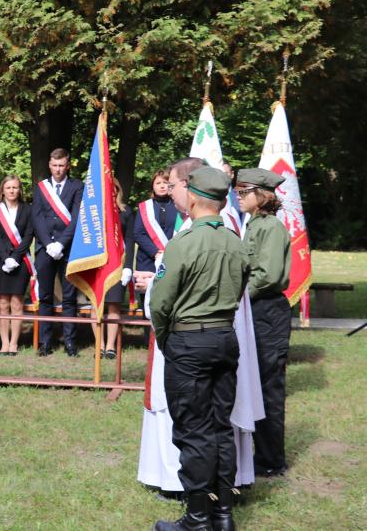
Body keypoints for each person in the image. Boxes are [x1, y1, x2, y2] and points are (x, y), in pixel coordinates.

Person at [149, 166, 249, 531]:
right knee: (220, 427)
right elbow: (240, 289)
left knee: (194, 430)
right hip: (224, 337)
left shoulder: (184, 243)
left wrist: (167, 339)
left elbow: (160, 302)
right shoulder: (236, 243)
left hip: (189, 342)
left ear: (193, 197)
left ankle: (197, 519)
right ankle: (223, 515)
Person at [235, 167, 292, 478]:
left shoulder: (270, 227)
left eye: (244, 192)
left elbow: (267, 275)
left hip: (267, 311)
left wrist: (238, 297)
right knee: (255, 382)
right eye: (238, 192)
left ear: (263, 195)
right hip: (256, 309)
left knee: (269, 386)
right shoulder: (254, 224)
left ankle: (271, 459)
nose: (239, 197)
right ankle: (260, 454)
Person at [31, 148, 83, 357]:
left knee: (69, 298)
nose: (58, 169)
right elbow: (37, 217)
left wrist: (61, 243)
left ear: (67, 166)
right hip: (45, 249)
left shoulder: (77, 186)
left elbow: (77, 217)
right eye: (54, 165)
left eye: (61, 165)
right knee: (45, 297)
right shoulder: (41, 188)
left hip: (68, 248)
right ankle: (45, 342)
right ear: (49, 165)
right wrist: (48, 243)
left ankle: (70, 342)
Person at [0, 175, 34, 356]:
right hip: (2, 262)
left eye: (15, 187)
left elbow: (29, 235)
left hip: (21, 261)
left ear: (19, 190)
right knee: (3, 303)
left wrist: (15, 257)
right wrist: (6, 257)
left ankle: (14, 343)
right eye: (8, 188)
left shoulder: (28, 209)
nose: (12, 191)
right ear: (3, 190)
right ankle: (4, 343)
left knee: (16, 302)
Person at [99, 177, 136, 360]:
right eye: (107, 188)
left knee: (114, 304)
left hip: (117, 265)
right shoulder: (94, 211)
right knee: (97, 305)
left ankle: (110, 346)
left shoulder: (126, 212)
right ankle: (99, 344)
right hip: (97, 265)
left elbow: (130, 240)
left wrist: (128, 267)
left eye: (114, 188)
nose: (111, 191)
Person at [133, 169, 178, 275]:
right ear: (152, 186)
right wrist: (155, 252)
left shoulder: (178, 206)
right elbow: (138, 233)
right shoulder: (145, 207)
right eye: (158, 183)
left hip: (173, 257)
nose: (162, 186)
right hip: (147, 260)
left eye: (165, 182)